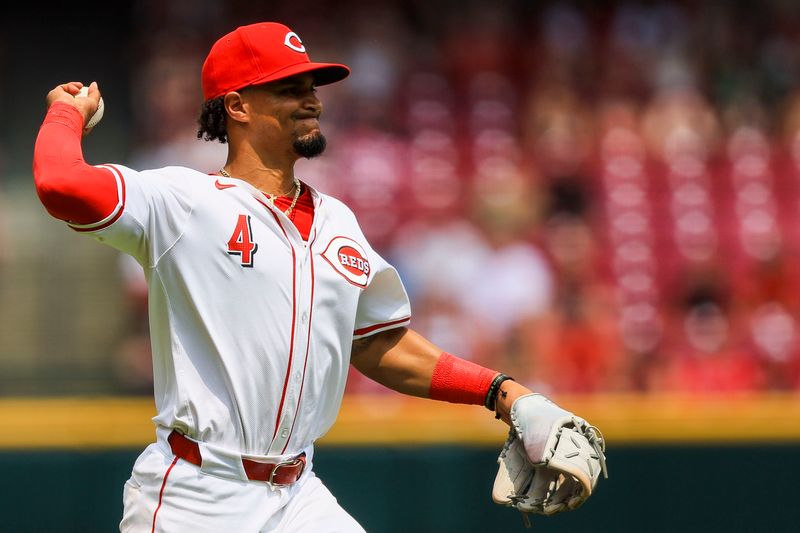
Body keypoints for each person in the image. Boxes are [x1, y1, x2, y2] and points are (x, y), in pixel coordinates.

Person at [33, 22, 605, 532]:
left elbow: (379, 344)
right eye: (290, 89)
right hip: (196, 496)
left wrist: (504, 393)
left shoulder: (337, 222)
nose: (312, 102)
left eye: (312, 89)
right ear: (236, 106)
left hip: (298, 497)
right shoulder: (184, 203)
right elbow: (62, 185)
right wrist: (67, 113)